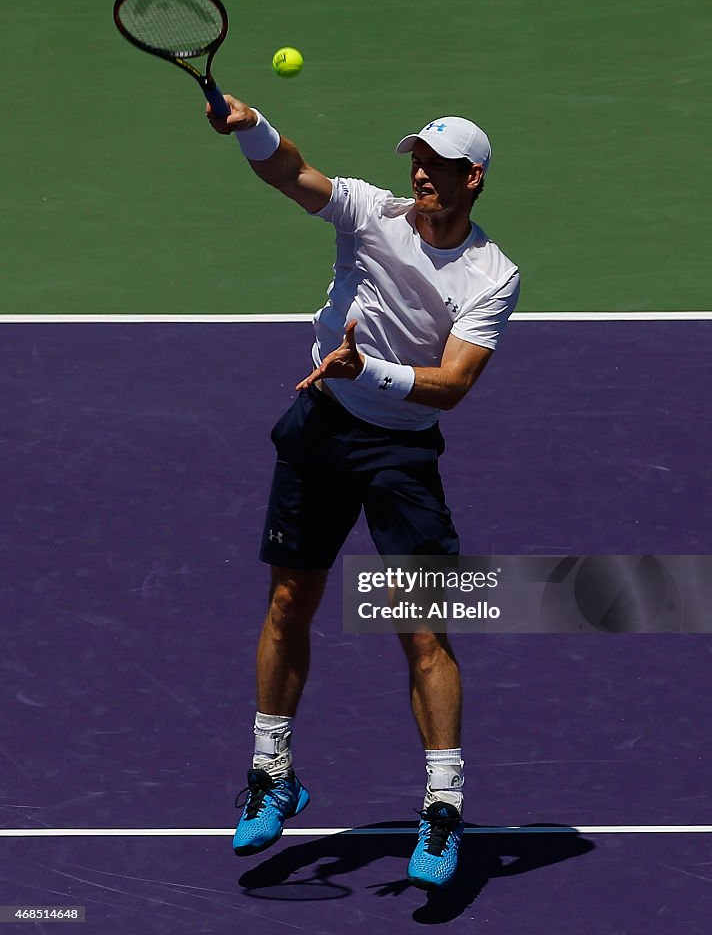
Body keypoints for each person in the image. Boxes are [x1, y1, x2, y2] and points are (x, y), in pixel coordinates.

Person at [207, 97, 520, 889]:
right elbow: (291, 173)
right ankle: (271, 774)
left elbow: (449, 386)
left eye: (438, 165)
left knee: (419, 630)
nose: (419, 173)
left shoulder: (492, 275)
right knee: (288, 602)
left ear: (471, 178)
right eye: (415, 159)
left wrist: (368, 368)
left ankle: (442, 809)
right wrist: (250, 125)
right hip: (320, 425)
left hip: (399, 454)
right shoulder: (368, 211)